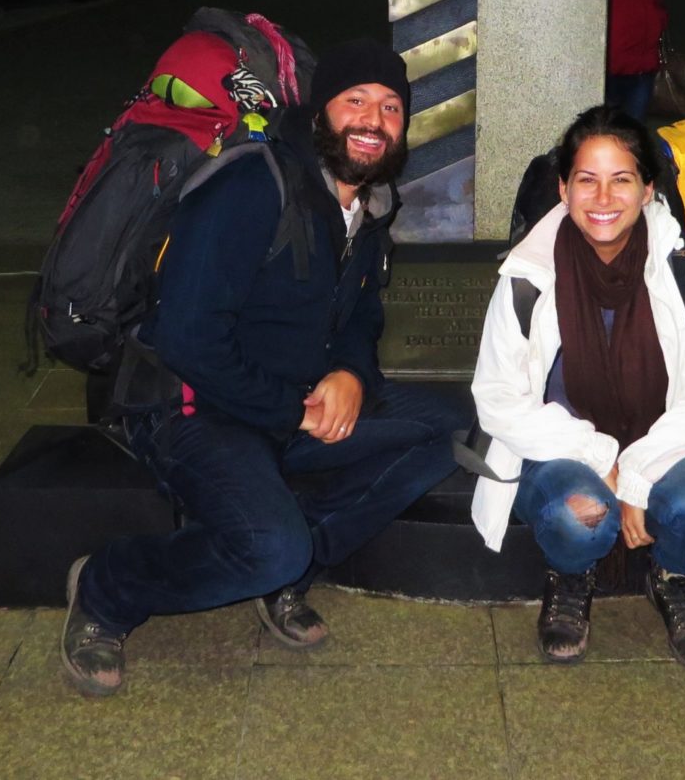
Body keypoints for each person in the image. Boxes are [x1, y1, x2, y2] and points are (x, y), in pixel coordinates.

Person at [61, 39, 470, 697]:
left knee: (449, 428)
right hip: (193, 411)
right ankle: (109, 588)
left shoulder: (366, 210)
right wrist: (289, 411)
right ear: (319, 115)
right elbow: (188, 338)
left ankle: (291, 568)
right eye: (355, 101)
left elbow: (362, 317)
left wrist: (352, 376)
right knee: (268, 545)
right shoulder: (253, 186)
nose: (373, 119)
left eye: (391, 107)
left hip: (287, 404)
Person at [469, 106, 685, 671]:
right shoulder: (528, 273)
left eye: (622, 180)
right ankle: (571, 576)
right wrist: (603, 461)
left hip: (662, 442)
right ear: (563, 188)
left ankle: (673, 577)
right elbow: (496, 397)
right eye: (586, 180)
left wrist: (639, 471)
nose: (603, 198)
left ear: (647, 189)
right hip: (560, 449)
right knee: (582, 513)